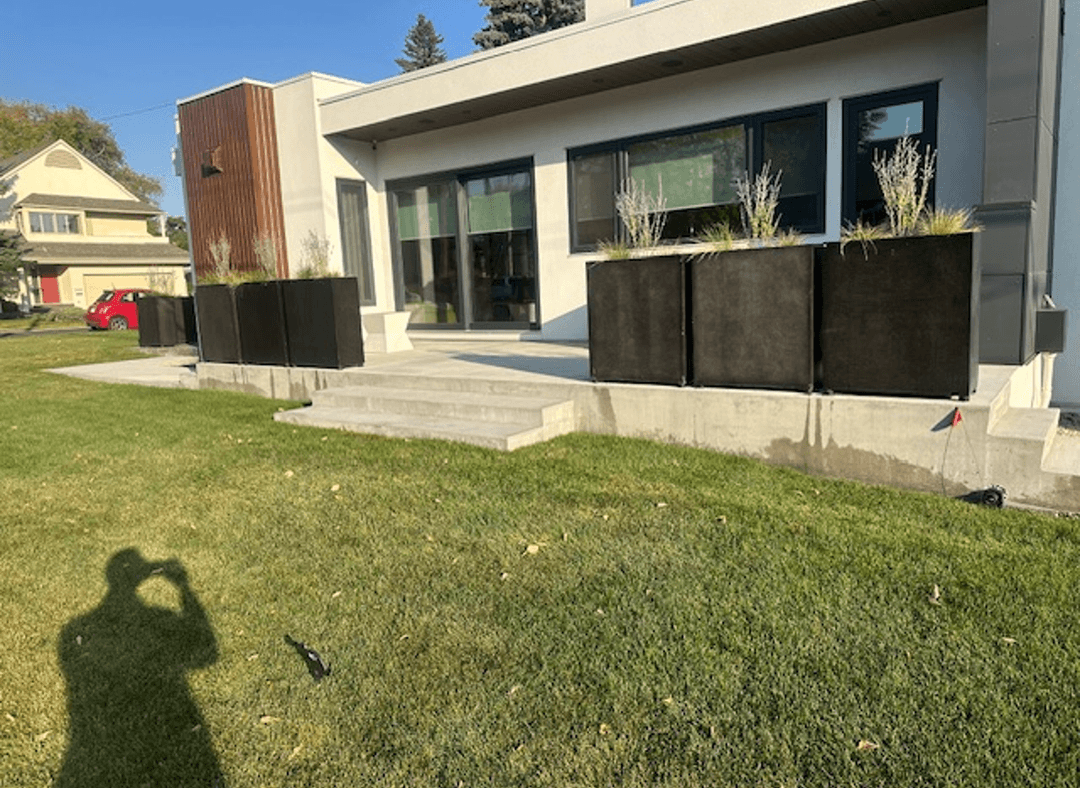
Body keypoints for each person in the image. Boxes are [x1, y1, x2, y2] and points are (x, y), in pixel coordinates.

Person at [56, 548, 223, 786]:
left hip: (94, 742)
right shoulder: (158, 616)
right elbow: (207, 654)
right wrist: (183, 587)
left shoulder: (74, 629)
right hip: (170, 729)